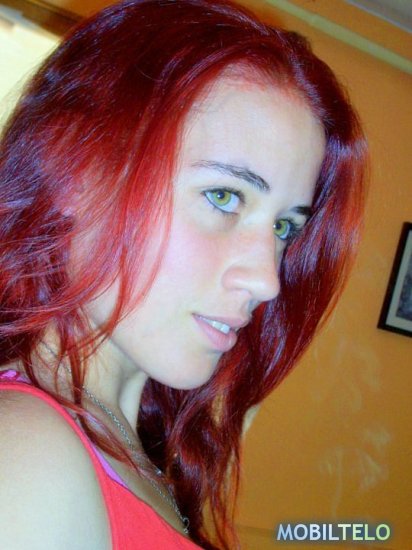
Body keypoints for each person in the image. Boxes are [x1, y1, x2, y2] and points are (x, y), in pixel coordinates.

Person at [0, 0, 367, 548]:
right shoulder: (28, 459)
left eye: (284, 227)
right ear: (76, 169)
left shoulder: (129, 449)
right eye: (224, 196)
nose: (267, 280)